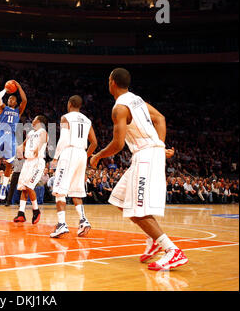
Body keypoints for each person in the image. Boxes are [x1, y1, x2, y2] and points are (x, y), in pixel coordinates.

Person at [90, 67, 188, 271]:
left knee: (139, 210)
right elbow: (160, 118)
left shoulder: (119, 108)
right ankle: (153, 241)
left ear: (112, 82)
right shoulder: (137, 100)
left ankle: (172, 251)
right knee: (118, 198)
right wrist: (160, 145)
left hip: (146, 156)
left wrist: (98, 155)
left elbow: (117, 145)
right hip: (147, 153)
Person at [50, 95, 98, 238]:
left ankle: (61, 224)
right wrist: (85, 156)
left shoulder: (66, 117)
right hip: (82, 154)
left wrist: (55, 157)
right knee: (76, 192)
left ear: (70, 104)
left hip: (69, 151)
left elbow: (63, 139)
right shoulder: (87, 120)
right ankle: (83, 220)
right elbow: (94, 142)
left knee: (59, 190)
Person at [13, 115, 48, 224]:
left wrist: (38, 148)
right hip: (27, 162)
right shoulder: (30, 133)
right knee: (24, 188)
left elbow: (43, 139)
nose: (32, 120)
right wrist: (18, 150)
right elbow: (23, 145)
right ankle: (21, 213)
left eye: (34, 119)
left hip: (37, 162)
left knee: (29, 186)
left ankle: (36, 211)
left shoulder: (42, 131)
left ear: (39, 121)